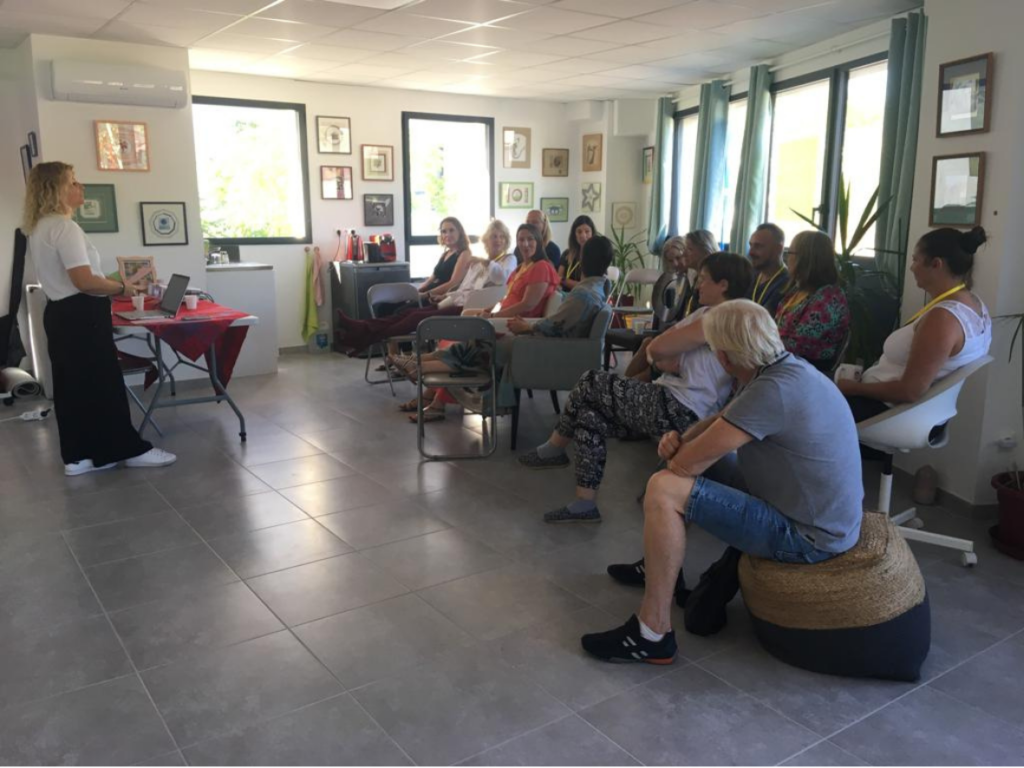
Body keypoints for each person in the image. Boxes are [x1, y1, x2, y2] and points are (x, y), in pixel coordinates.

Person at [582, 300, 864, 664]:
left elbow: (685, 466)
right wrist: (682, 439)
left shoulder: (773, 391)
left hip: (809, 536)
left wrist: (680, 452)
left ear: (725, 357)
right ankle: (657, 566)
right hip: (809, 511)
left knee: (664, 488)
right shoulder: (779, 370)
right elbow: (719, 421)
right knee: (685, 468)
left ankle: (652, 632)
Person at [518, 252, 753, 523]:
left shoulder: (721, 318)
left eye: (703, 280)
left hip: (680, 406)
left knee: (591, 381)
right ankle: (584, 503)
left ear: (723, 284)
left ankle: (555, 448)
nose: (698, 285)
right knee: (589, 417)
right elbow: (659, 349)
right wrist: (664, 356)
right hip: (672, 399)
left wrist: (665, 354)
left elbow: (657, 347)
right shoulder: (710, 314)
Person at [22, 162, 176, 476]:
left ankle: (78, 458)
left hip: (60, 314)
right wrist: (122, 286)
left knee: (72, 387)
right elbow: (84, 281)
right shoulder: (64, 227)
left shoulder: (39, 227)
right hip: (82, 314)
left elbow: (75, 278)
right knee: (104, 384)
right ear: (57, 189)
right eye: (73, 182)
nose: (81, 187)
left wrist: (105, 282)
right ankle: (127, 450)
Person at [398, 236, 614, 408]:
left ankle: (419, 366)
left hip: (542, 349)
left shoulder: (582, 294)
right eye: (521, 239)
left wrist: (528, 326)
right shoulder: (596, 288)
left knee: (481, 346)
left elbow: (553, 323)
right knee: (476, 344)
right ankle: (419, 364)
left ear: (583, 259)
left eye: (530, 239)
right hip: (548, 346)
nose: (525, 244)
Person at [839, 226, 991, 423]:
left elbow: (909, 391)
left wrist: (853, 388)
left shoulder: (943, 319)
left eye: (915, 260)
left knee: (800, 403)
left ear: (936, 264)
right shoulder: (975, 304)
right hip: (898, 408)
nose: (912, 267)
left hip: (887, 412)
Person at [335, 219, 515, 356]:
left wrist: (486, 263)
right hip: (453, 302)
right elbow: (464, 289)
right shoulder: (477, 263)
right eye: (493, 236)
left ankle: (362, 336)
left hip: (466, 310)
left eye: (501, 237)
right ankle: (361, 332)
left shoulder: (506, 260)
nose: (497, 240)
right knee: (406, 313)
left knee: (415, 318)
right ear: (486, 240)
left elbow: (501, 277)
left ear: (506, 240)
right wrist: (438, 295)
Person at [622, 229, 718, 380]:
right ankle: (622, 386)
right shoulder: (687, 278)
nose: (684, 257)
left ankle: (621, 388)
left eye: (689, 250)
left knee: (652, 354)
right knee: (649, 344)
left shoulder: (704, 283)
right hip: (686, 333)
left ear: (704, 249)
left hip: (693, 343)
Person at [774, 230, 850, 372]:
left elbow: (799, 345)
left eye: (789, 253)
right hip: (782, 361)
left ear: (806, 258)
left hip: (805, 370)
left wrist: (758, 343)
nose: (786, 258)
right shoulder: (797, 290)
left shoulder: (829, 298)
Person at [746, 223, 787, 317]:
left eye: (758, 246)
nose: (751, 252)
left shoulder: (787, 284)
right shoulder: (749, 274)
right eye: (751, 245)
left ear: (778, 249)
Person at [558, 215, 596, 291]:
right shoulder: (567, 253)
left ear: (592, 233)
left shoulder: (595, 256)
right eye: (579, 231)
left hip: (583, 297)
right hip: (564, 295)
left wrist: (564, 280)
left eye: (587, 231)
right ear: (574, 235)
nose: (583, 235)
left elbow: (585, 286)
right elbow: (558, 277)